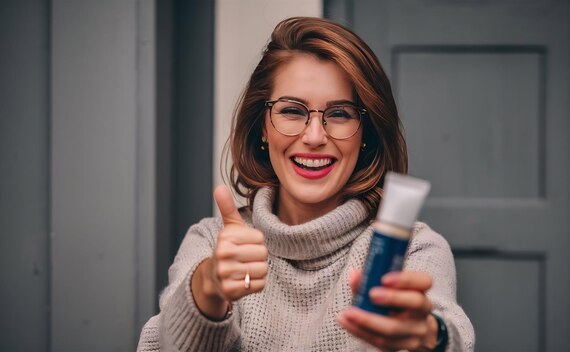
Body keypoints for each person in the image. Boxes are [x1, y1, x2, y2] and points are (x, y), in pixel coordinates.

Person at [138, 17, 474, 352]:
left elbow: (448, 335)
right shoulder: (211, 243)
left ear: (366, 135)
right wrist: (208, 290)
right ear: (262, 129)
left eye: (341, 114)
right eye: (292, 111)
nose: (314, 137)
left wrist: (430, 337)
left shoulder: (412, 249)